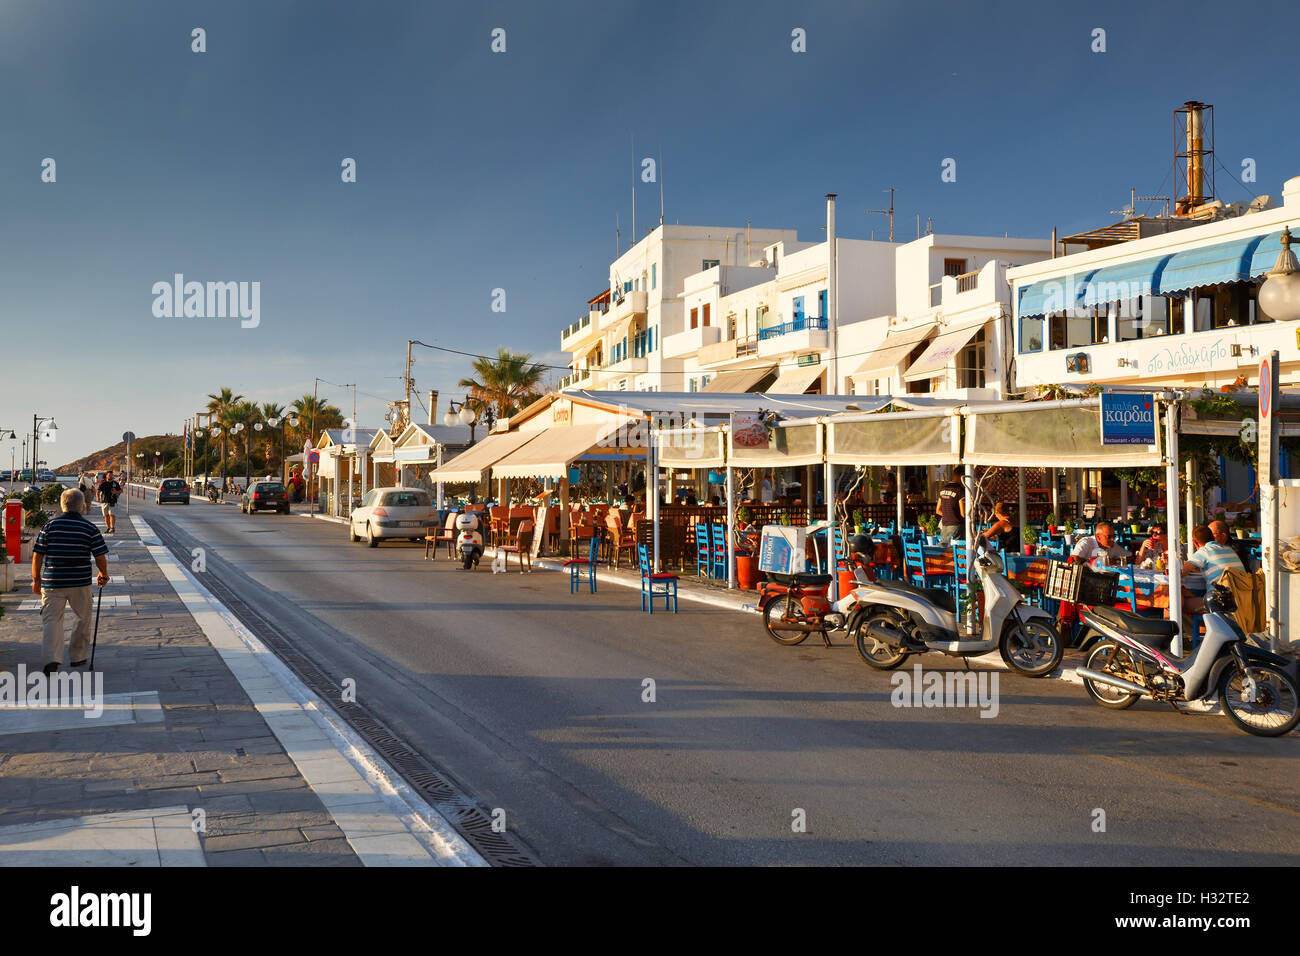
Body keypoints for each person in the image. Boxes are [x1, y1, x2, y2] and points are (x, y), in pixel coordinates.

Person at [32, 489, 110, 675]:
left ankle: (52, 659)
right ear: (82, 506)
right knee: (82, 618)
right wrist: (103, 574)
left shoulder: (49, 526)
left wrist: (36, 580)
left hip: (52, 582)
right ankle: (78, 657)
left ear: (62, 505)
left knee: (52, 620)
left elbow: (37, 555)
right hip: (79, 582)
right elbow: (100, 556)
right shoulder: (89, 528)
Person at [1183, 524, 1245, 612]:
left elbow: (1181, 572)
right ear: (1212, 537)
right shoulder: (1229, 549)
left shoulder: (1204, 551)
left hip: (1221, 602)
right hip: (1242, 598)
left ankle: (1170, 624)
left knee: (1178, 603)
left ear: (1195, 542)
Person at [936, 466, 965, 545]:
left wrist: (947, 515)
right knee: (957, 552)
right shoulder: (960, 490)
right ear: (962, 476)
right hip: (956, 526)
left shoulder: (943, 489)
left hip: (945, 525)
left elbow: (938, 510)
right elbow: (963, 514)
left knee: (946, 552)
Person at [96, 470, 122, 535]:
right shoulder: (103, 483)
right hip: (104, 501)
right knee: (106, 516)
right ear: (106, 476)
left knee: (112, 515)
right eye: (109, 475)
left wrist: (116, 492)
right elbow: (98, 491)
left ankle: (112, 528)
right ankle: (108, 528)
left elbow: (120, 491)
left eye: (111, 475)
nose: (111, 476)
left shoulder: (115, 483)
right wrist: (98, 497)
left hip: (113, 501)